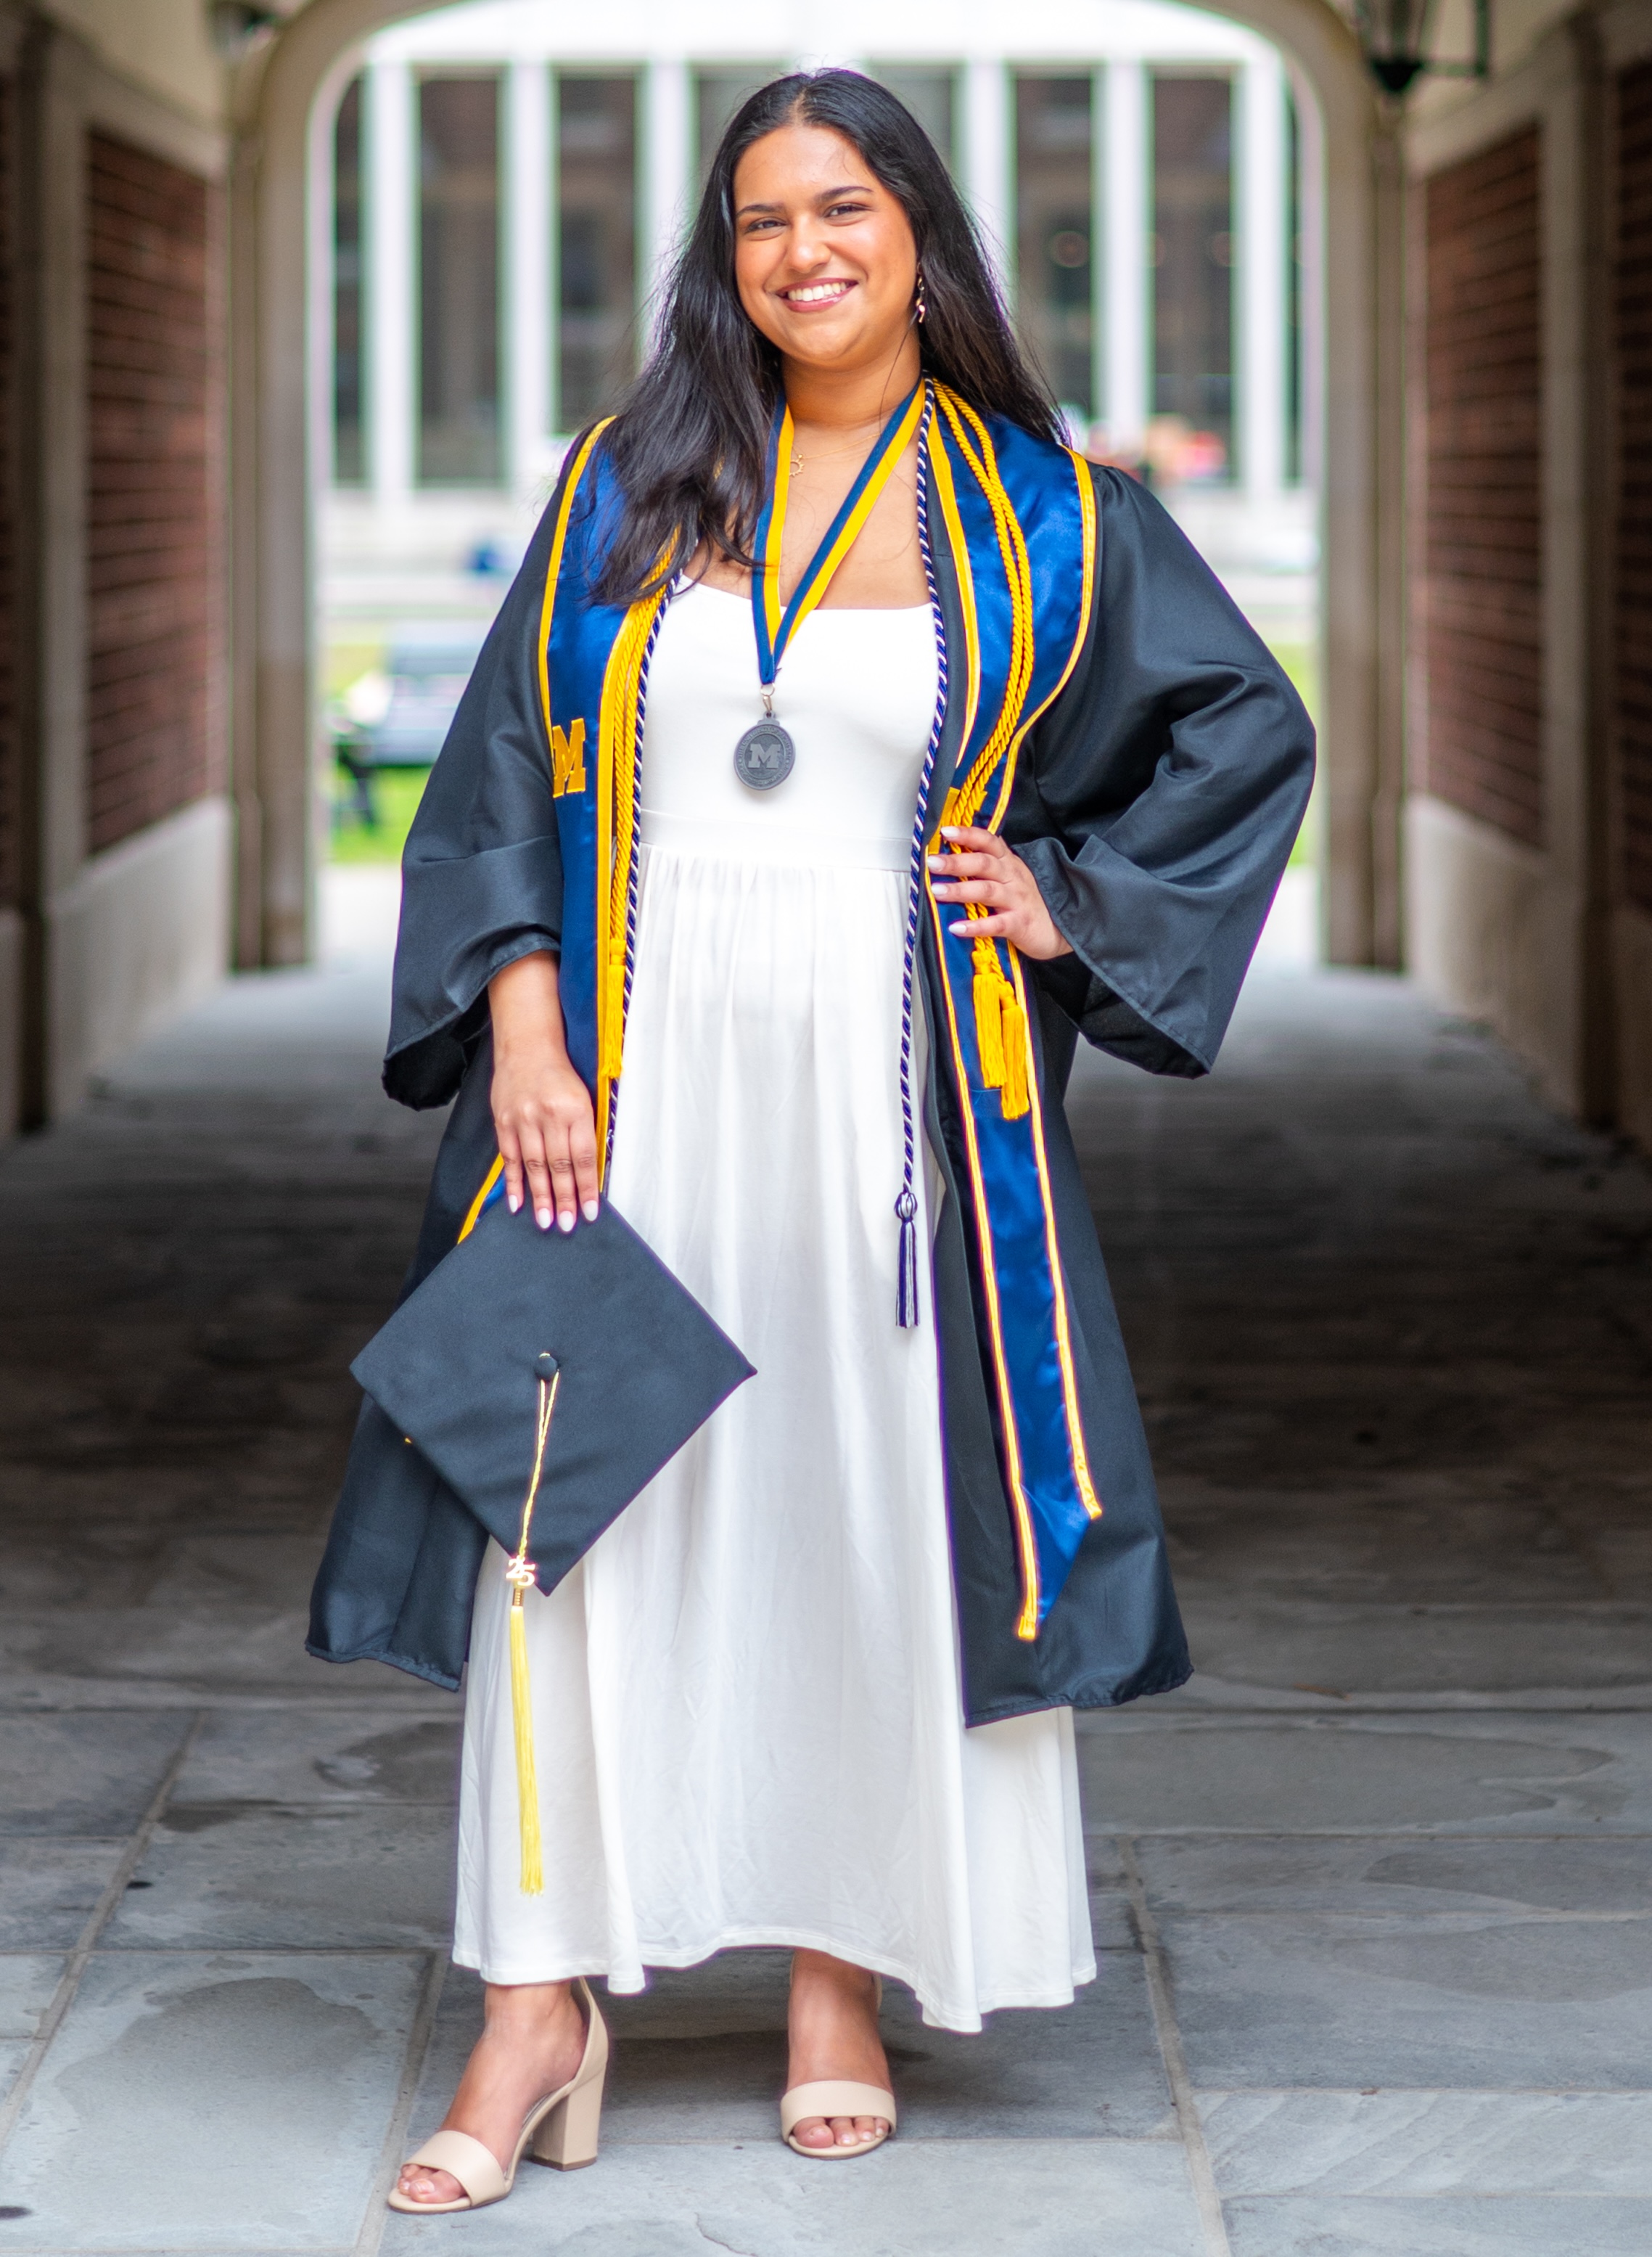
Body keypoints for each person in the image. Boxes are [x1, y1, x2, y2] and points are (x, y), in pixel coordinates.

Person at [308, 69, 1313, 2212]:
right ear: (727, 256)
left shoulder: (1041, 508)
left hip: (890, 1110)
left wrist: (1067, 897)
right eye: (762, 220)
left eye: (842, 208)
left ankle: (835, 1976)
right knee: (572, 1526)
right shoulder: (624, 486)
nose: (804, 254)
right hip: (634, 1096)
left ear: (919, 234)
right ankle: (536, 1998)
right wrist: (521, 1032)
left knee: (857, 1517)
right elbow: (490, 778)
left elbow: (1245, 730)